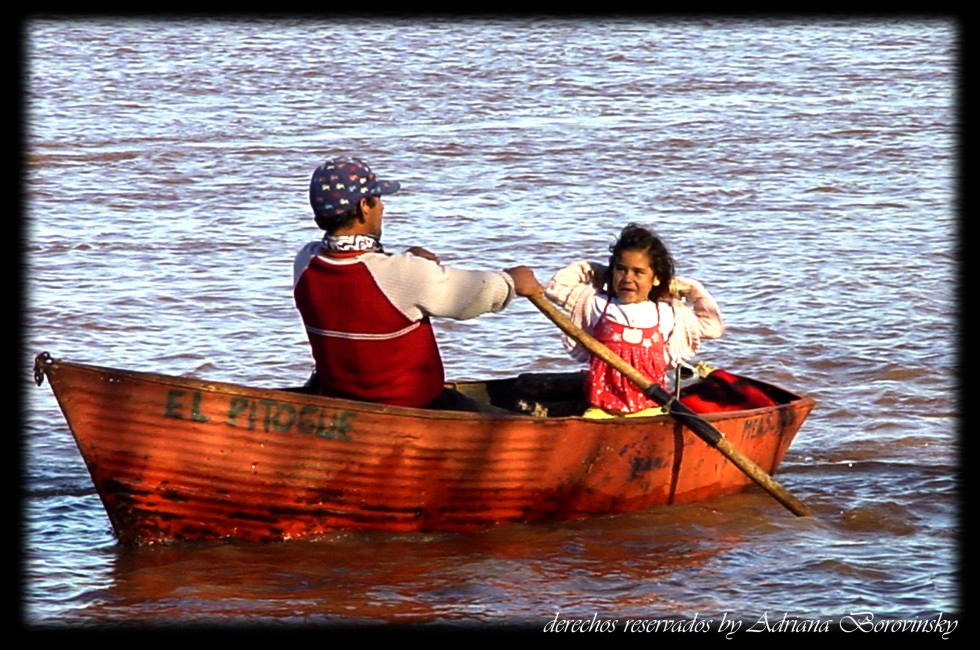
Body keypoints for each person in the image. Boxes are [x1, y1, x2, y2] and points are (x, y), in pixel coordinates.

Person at [294, 156, 542, 411]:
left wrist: (408, 260)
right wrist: (512, 282)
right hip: (414, 409)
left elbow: (361, 266)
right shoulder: (405, 274)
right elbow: (470, 296)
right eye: (377, 199)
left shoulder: (305, 262)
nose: (382, 207)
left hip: (343, 402)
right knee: (519, 427)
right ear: (363, 208)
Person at [544, 223, 724, 419]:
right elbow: (555, 289)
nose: (628, 278)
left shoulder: (666, 314)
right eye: (621, 269)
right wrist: (597, 271)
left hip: (651, 406)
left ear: (655, 278)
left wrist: (691, 288)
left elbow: (712, 327)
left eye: (638, 272)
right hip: (601, 409)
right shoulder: (598, 305)